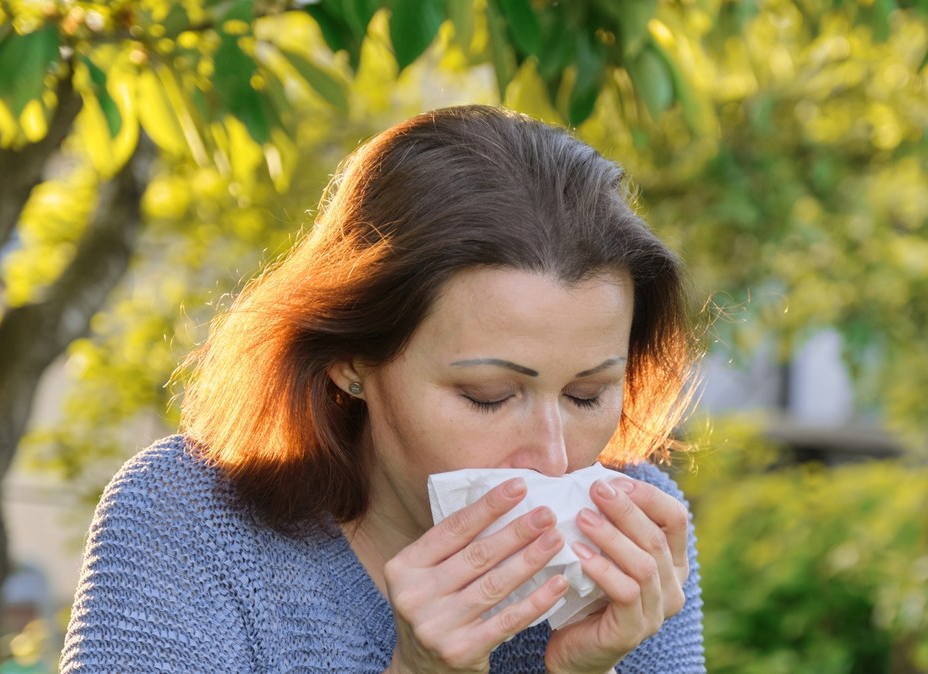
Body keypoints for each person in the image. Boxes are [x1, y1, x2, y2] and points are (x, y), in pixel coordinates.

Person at [60, 106, 705, 673]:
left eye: (587, 395)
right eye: (487, 395)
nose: (554, 457)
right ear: (350, 362)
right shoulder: (190, 521)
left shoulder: (638, 528)